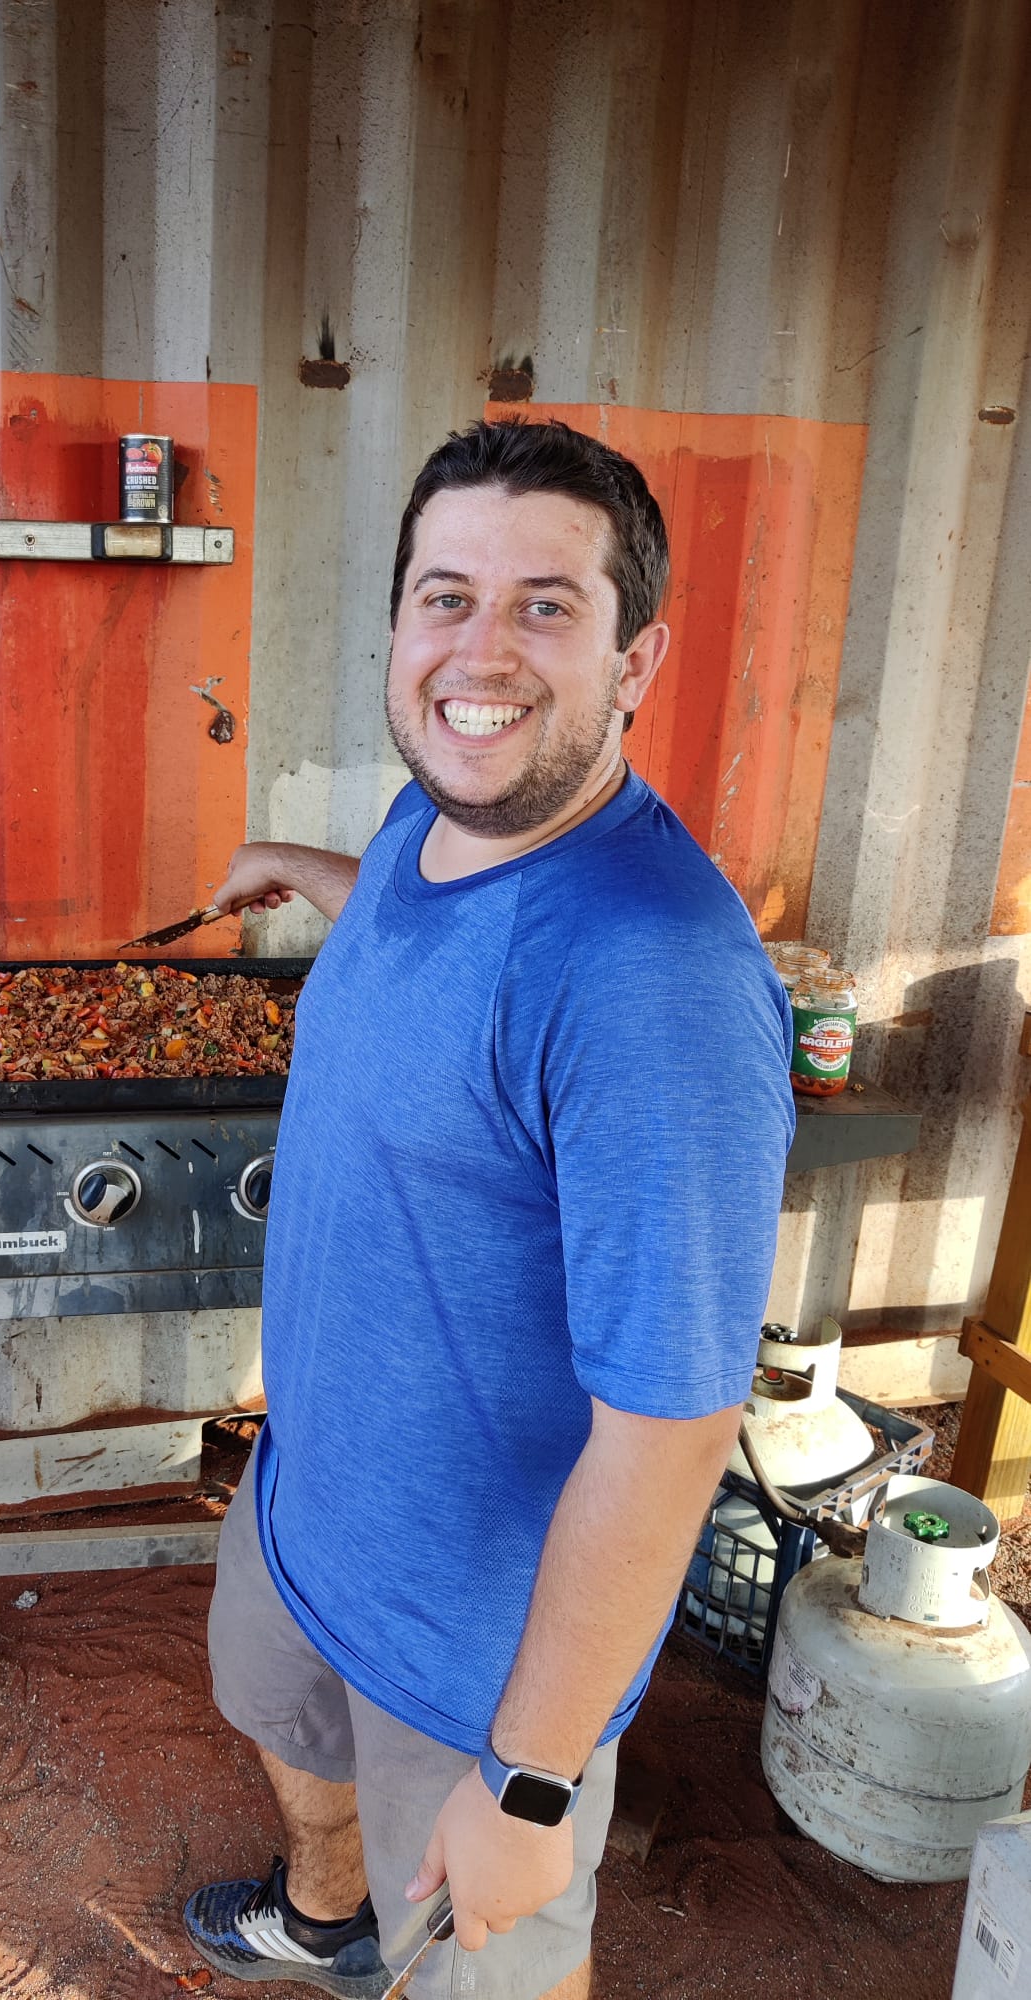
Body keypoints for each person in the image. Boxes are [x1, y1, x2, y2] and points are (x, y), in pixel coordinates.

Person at [180, 420, 795, 2000]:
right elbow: (427, 917)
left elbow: (670, 1427)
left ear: (634, 656)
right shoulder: (427, 821)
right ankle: (325, 1924)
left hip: (480, 1651)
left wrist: (529, 1777)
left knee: (480, 1970)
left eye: (545, 606)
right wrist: (289, 866)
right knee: (273, 1714)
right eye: (446, 596)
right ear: (397, 629)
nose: (481, 647)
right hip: (312, 1503)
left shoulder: (651, 979)